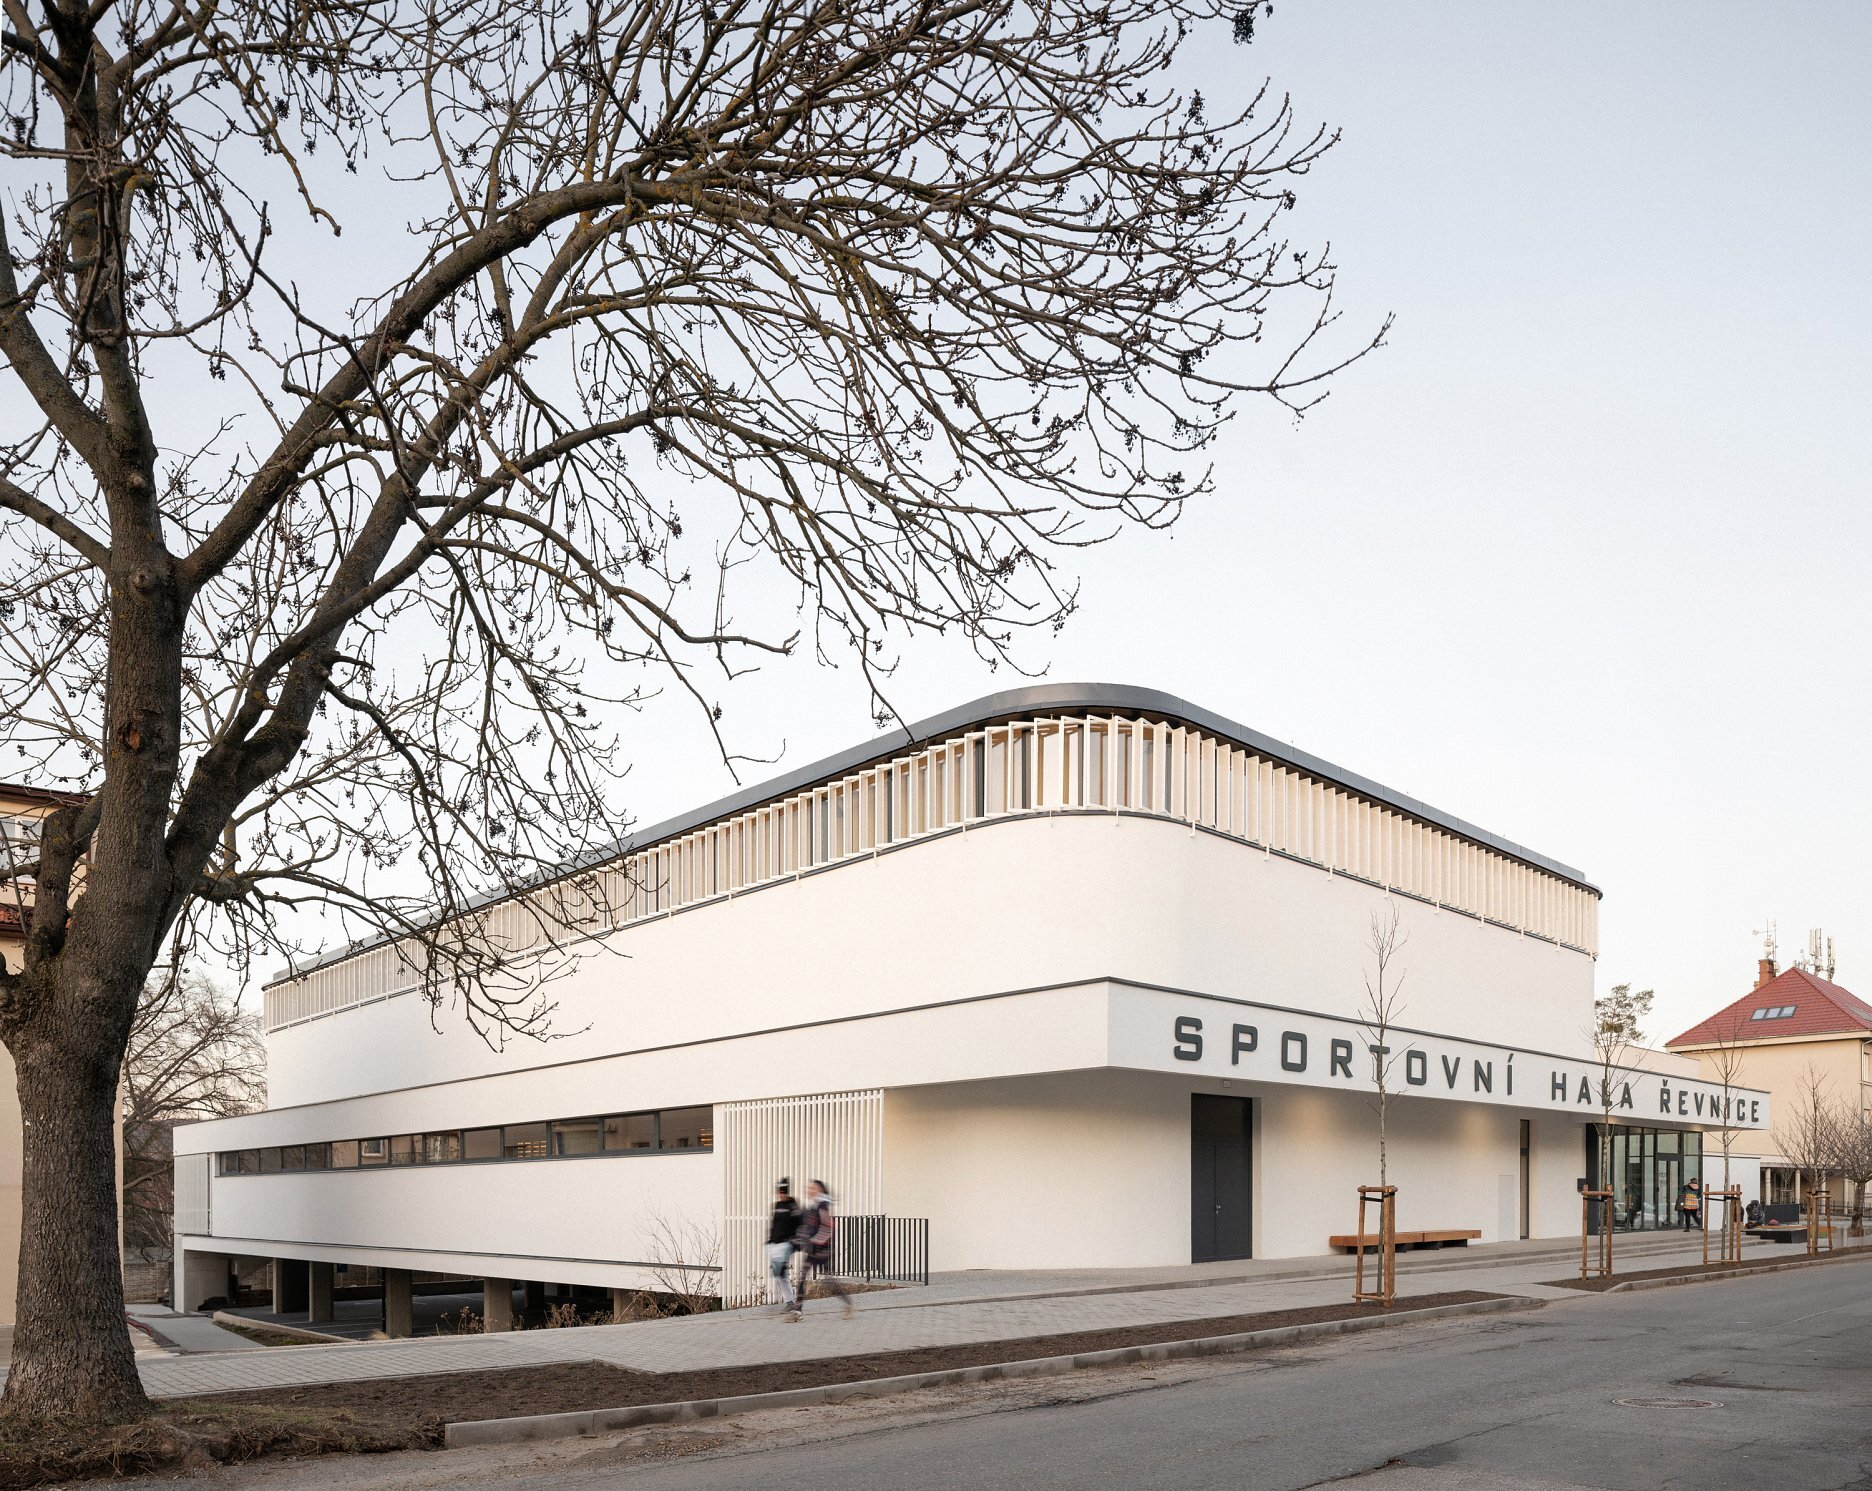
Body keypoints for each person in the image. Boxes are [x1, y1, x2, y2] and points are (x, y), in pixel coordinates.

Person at [790, 1178, 854, 1321]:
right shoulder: (814, 1206)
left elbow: (828, 1228)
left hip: (823, 1251)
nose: (808, 1190)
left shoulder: (822, 1206)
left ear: (819, 1190)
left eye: (812, 1188)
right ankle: (797, 1312)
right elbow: (809, 1227)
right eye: (808, 1188)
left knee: (829, 1281)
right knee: (802, 1278)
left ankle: (848, 1303)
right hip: (812, 1251)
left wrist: (814, 1241)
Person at [765, 1178, 801, 1313]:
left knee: (780, 1272)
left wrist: (795, 1241)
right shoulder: (778, 1205)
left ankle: (790, 1302)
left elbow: (799, 1224)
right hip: (776, 1243)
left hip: (787, 1243)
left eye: (783, 1192)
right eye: (780, 1192)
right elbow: (774, 1224)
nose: (781, 1195)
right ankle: (790, 1302)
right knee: (780, 1275)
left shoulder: (792, 1205)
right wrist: (771, 1239)